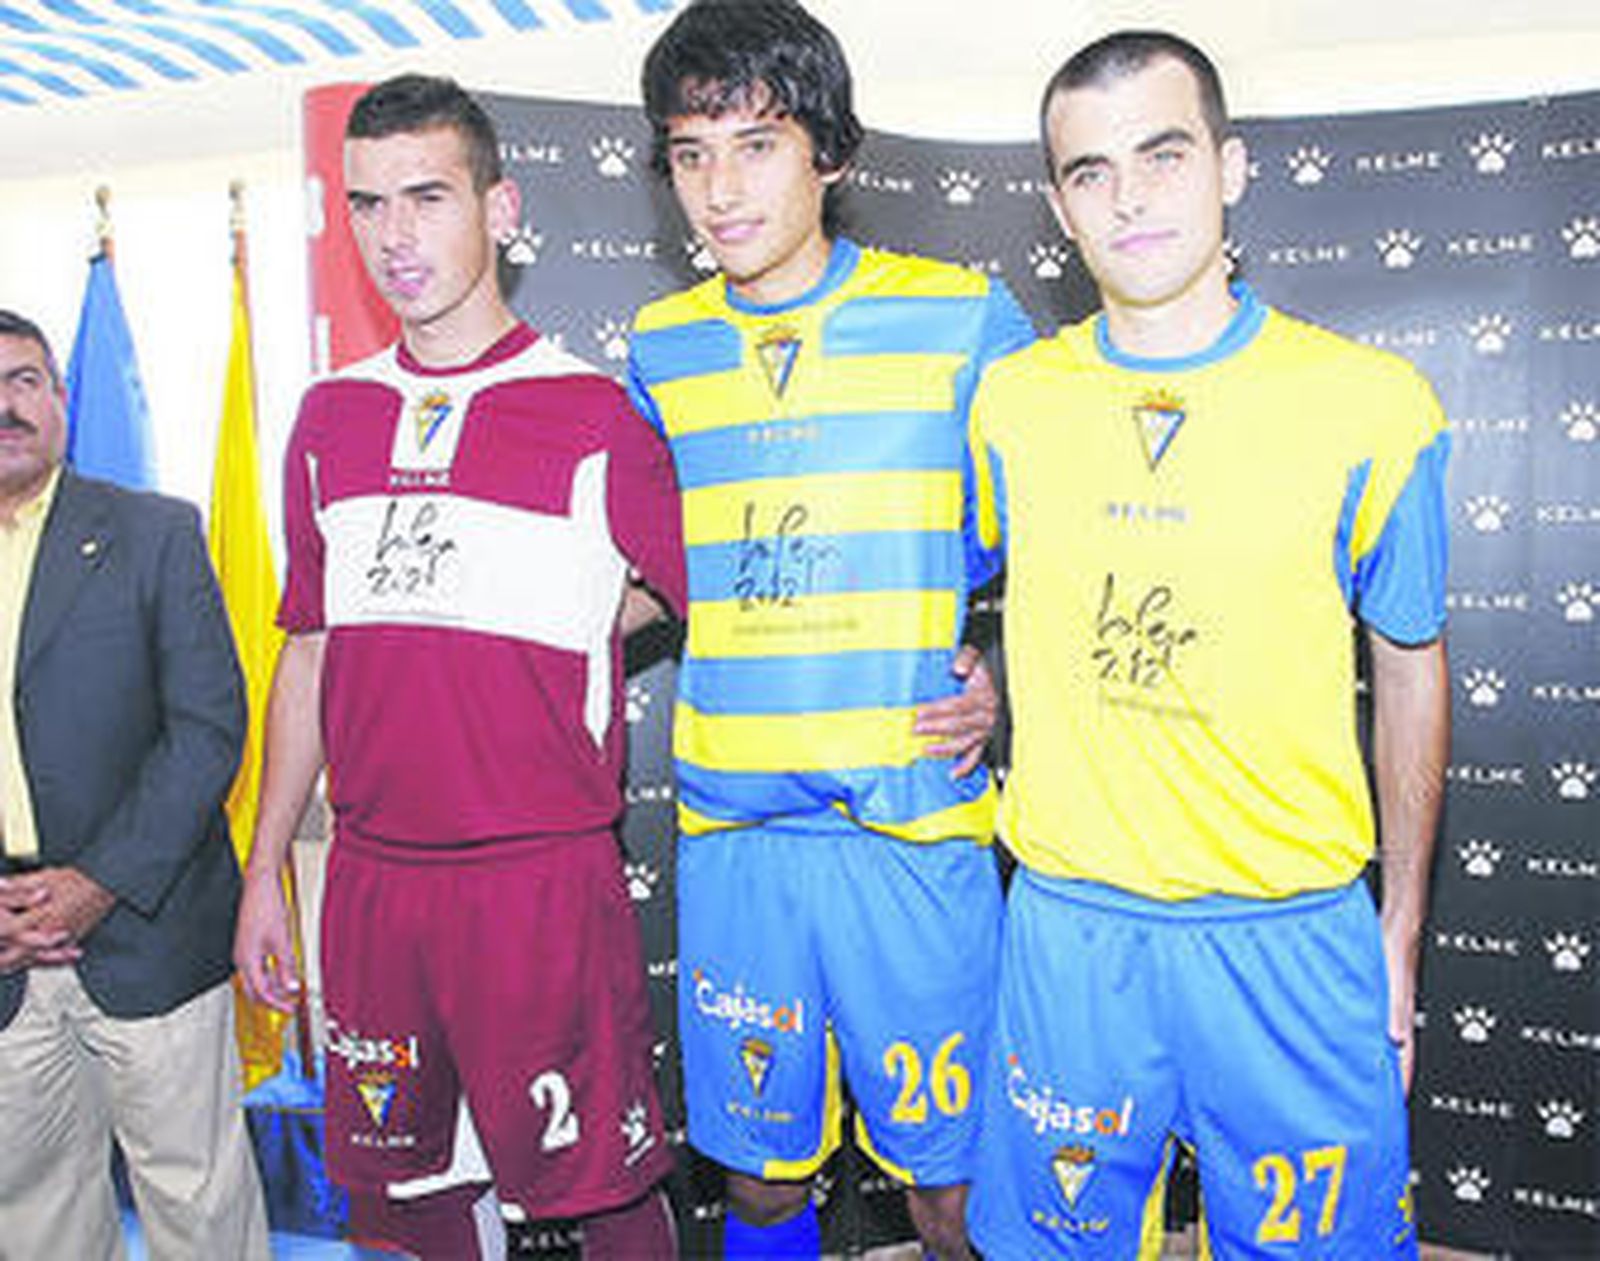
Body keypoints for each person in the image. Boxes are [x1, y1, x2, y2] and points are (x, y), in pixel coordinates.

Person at [965, 30, 1450, 1258]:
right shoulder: (1009, 402)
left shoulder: (1370, 404)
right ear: (1057, 206)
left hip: (1288, 941)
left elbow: (1409, 667)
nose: (1127, 196)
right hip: (1071, 936)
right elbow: (970, 599)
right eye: (1088, 171)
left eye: (1162, 155)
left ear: (1231, 168)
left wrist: (1395, 937)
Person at [232, 75, 685, 1259]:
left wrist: (548, 625)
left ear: (501, 207)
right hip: (376, 885)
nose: (395, 236)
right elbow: (313, 650)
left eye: (427, 197)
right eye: (368, 203)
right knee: (406, 1201)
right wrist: (268, 864)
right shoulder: (328, 418)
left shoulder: (593, 415)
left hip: (539, 880)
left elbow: (681, 604)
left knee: (601, 1190)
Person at [626, 3, 1035, 1256]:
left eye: (754, 145)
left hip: (910, 834)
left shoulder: (964, 319)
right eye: (690, 153)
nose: (718, 188)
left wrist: (1005, 675)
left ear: (832, 153)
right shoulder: (659, 347)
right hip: (740, 843)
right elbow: (648, 571)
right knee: (755, 1185)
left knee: (952, 1188)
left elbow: (1069, 545)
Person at [0, 309, 269, 1258]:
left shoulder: (154, 533)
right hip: (5, 951)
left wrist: (94, 884)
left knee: (199, 1208)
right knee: (34, 1220)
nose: (6, 404)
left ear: (63, 401)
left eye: (26, 380)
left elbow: (208, 731)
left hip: (147, 929)